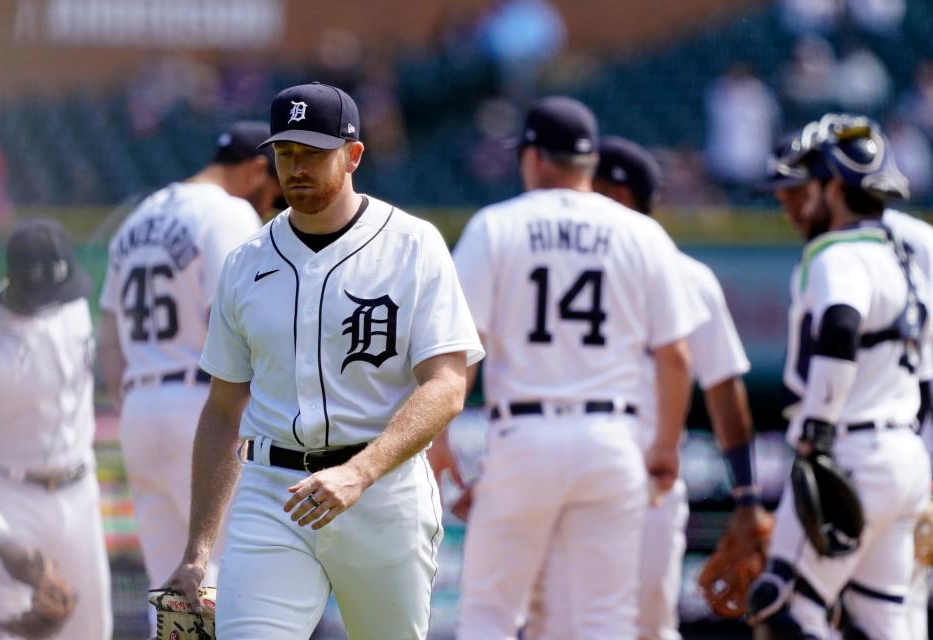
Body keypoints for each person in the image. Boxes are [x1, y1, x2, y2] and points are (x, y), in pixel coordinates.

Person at [164, 82, 484, 639]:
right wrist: (198, 549)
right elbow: (221, 410)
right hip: (272, 494)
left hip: (383, 491)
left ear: (353, 154)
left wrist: (361, 471)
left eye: (313, 153)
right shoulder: (245, 261)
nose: (296, 168)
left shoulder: (413, 244)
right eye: (285, 153)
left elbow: (447, 385)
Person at [445, 96, 702, 638]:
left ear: (535, 157)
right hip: (613, 437)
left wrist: (441, 446)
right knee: (606, 620)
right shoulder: (642, 233)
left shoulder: (497, 225)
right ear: (587, 164)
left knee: (489, 614)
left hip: (524, 435)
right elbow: (675, 358)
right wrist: (663, 448)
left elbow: (458, 350)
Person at [748, 113, 931, 639]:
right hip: (904, 456)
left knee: (782, 608)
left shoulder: (837, 252)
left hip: (849, 452)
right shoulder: (903, 255)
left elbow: (841, 325)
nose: (790, 203)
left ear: (832, 186)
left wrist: (815, 433)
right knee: (885, 620)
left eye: (804, 187)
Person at [583, 136, 767, 640]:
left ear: (617, 195)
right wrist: (748, 496)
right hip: (630, 479)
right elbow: (726, 394)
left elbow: (725, 393)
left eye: (585, 185)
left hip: (632, 475)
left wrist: (748, 497)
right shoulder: (686, 274)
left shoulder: (686, 276)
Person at [96, 120, 283, 597]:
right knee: (232, 578)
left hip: (139, 409)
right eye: (274, 192)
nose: (271, 205)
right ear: (258, 170)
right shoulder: (228, 214)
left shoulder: (140, 216)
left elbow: (110, 339)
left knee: (171, 590)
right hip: (205, 409)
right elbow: (238, 317)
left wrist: (139, 404)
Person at [0, 219, 112, 639]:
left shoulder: (69, 304)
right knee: (10, 631)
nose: (53, 301)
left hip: (80, 486)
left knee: (92, 630)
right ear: (11, 281)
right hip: (7, 496)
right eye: (40, 293)